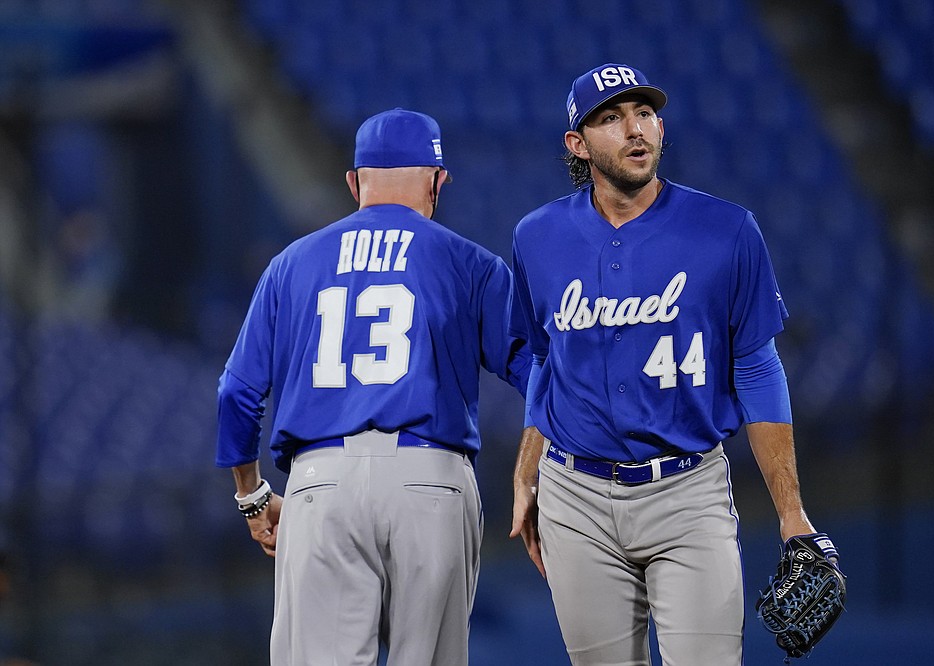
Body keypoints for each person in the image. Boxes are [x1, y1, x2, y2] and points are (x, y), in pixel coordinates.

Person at [508, 63, 831, 666]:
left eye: (645, 113)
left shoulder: (727, 230)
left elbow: (758, 371)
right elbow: (547, 362)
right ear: (577, 145)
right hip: (574, 496)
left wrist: (792, 513)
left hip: (688, 491)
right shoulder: (536, 237)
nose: (635, 129)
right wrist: (527, 472)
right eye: (611, 118)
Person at [216, 108, 529, 666]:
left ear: (354, 182)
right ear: (436, 181)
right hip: (430, 481)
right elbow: (543, 377)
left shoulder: (290, 266)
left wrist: (253, 495)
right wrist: (537, 471)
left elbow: (236, 395)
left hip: (320, 484)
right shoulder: (471, 263)